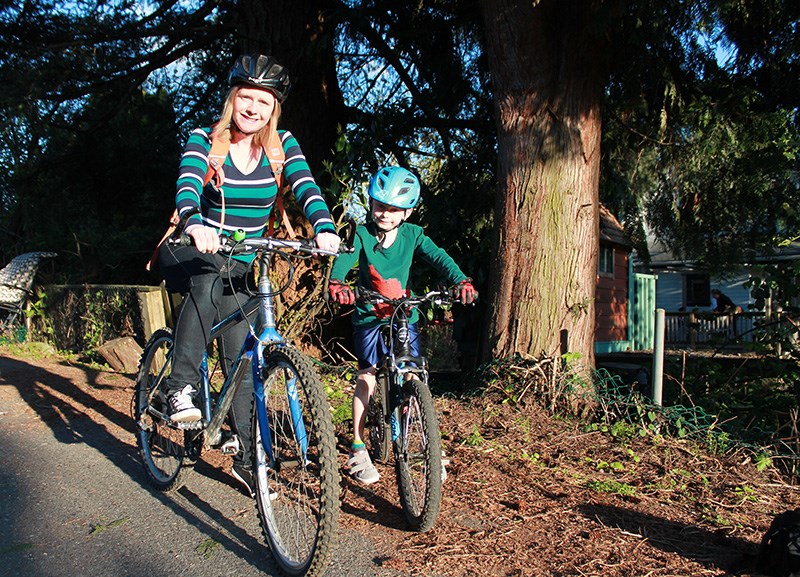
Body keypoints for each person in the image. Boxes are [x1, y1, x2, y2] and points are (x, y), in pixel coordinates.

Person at [157, 54, 341, 497]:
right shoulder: (206, 138)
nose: (253, 108)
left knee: (241, 357)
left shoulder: (282, 147)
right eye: (246, 98)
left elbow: (306, 187)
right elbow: (188, 181)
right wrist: (192, 220)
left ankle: (246, 460)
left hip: (242, 261)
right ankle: (178, 389)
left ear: (273, 107)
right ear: (232, 99)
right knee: (206, 284)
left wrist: (324, 226)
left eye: (264, 101)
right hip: (191, 249)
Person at [327, 166, 476, 484]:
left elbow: (439, 257)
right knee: (366, 375)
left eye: (393, 208)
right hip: (369, 316)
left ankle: (426, 445)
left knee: (412, 374)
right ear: (371, 203)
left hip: (404, 315)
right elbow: (345, 258)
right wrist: (338, 282)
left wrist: (460, 279)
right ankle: (357, 446)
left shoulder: (413, 235)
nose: (385, 213)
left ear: (406, 211)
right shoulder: (363, 234)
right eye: (380, 205)